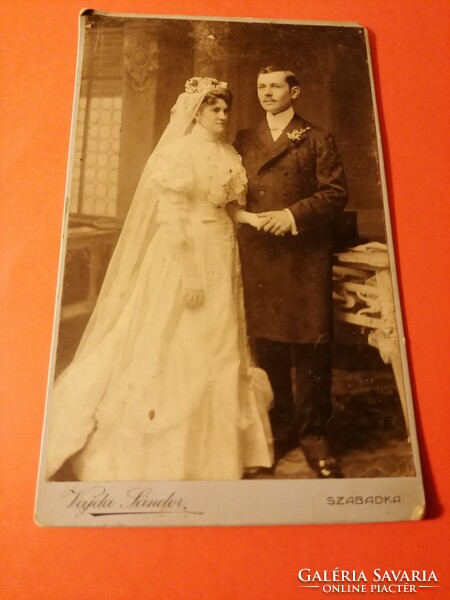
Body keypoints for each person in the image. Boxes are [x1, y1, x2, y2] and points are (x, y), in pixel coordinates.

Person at [45, 77, 273, 482]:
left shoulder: (227, 154)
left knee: (219, 340)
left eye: (225, 109)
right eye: (214, 109)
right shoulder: (178, 154)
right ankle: (166, 453)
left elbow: (230, 209)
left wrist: (252, 217)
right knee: (178, 339)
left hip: (221, 250)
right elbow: (171, 218)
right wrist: (189, 276)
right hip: (183, 253)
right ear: (196, 112)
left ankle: (220, 453)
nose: (222, 116)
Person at [234, 66, 348, 478]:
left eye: (275, 86)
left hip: (303, 255)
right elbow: (232, 188)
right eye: (261, 86)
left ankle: (315, 438)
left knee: (311, 347)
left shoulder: (317, 138)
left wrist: (290, 215)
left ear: (294, 91)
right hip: (259, 254)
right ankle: (278, 432)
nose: (266, 92)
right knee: (267, 346)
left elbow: (335, 193)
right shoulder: (244, 139)